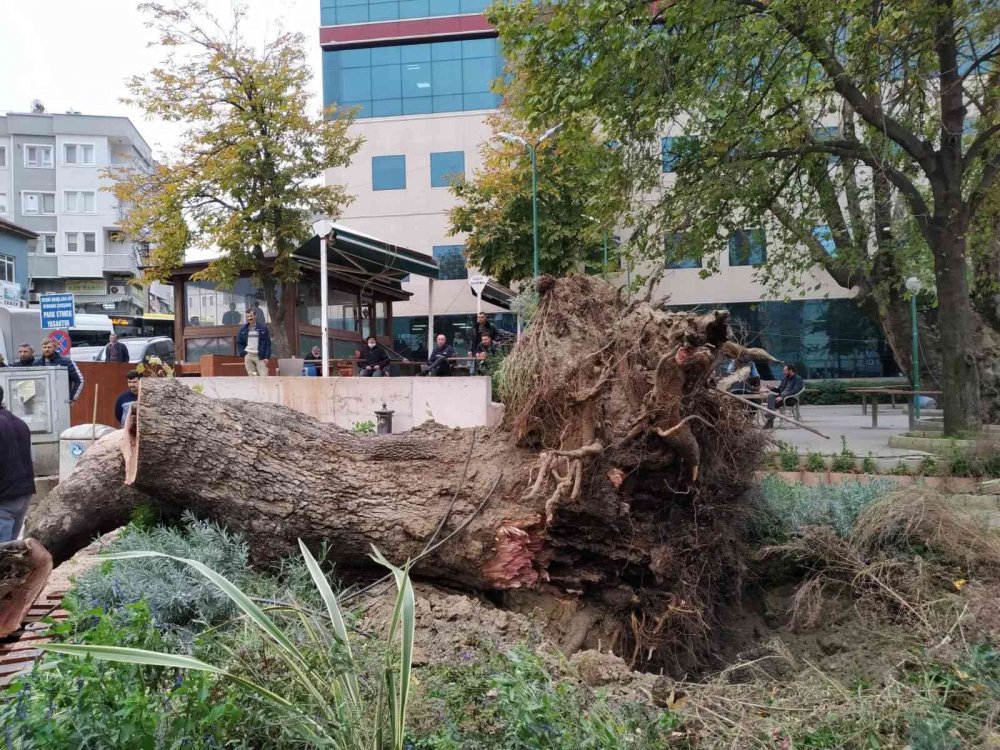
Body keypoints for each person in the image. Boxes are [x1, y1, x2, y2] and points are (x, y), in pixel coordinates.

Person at [0, 385, 36, 542]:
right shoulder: (20, 423)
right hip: (23, 495)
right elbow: (31, 458)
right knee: (10, 554)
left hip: (4, 499)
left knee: (3, 557)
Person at [763, 364, 805, 428]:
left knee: (772, 403)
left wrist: (783, 397)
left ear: (790, 370)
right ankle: (771, 416)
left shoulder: (798, 379)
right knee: (771, 396)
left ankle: (770, 417)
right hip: (781, 398)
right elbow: (780, 390)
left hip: (790, 399)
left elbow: (795, 391)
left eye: (785, 371)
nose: (783, 372)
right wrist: (771, 388)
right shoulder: (785, 379)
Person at [237, 309, 271, 376]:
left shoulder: (263, 328)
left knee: (264, 376)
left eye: (251, 316)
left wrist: (266, 357)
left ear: (255, 316)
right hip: (248, 356)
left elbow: (268, 343)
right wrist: (243, 352)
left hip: (260, 356)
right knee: (252, 376)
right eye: (248, 316)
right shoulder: (243, 329)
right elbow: (239, 342)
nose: (250, 318)